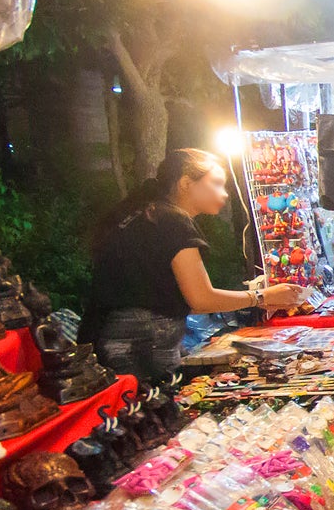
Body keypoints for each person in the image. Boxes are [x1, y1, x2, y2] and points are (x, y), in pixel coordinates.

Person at [86, 149, 303, 380]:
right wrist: (262, 297)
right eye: (217, 183)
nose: (226, 194)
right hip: (139, 349)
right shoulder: (172, 221)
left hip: (111, 339)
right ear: (186, 183)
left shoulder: (142, 215)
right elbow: (200, 299)